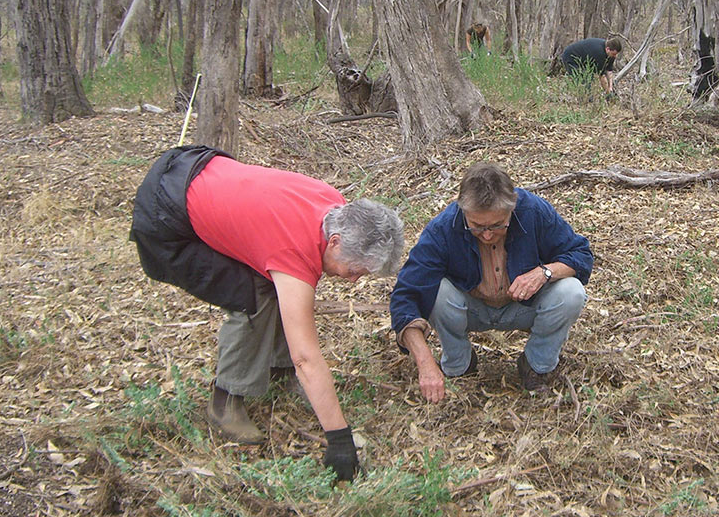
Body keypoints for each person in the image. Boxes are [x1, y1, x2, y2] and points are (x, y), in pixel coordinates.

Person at [130, 145, 405, 481]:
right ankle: (226, 400)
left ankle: (278, 369)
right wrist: (339, 438)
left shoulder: (333, 205)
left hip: (200, 167)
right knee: (253, 295)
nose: (353, 279)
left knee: (282, 289)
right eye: (355, 270)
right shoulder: (292, 251)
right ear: (334, 242)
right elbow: (308, 356)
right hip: (166, 215)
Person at [390, 161, 593, 401]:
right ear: (463, 211)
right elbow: (406, 294)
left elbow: (581, 254)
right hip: (469, 310)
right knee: (436, 290)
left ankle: (536, 365)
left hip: (524, 306)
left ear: (512, 208)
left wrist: (544, 273)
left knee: (571, 292)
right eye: (476, 227)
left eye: (497, 225)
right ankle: (460, 365)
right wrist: (425, 363)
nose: (487, 235)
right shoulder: (444, 228)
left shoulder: (533, 211)